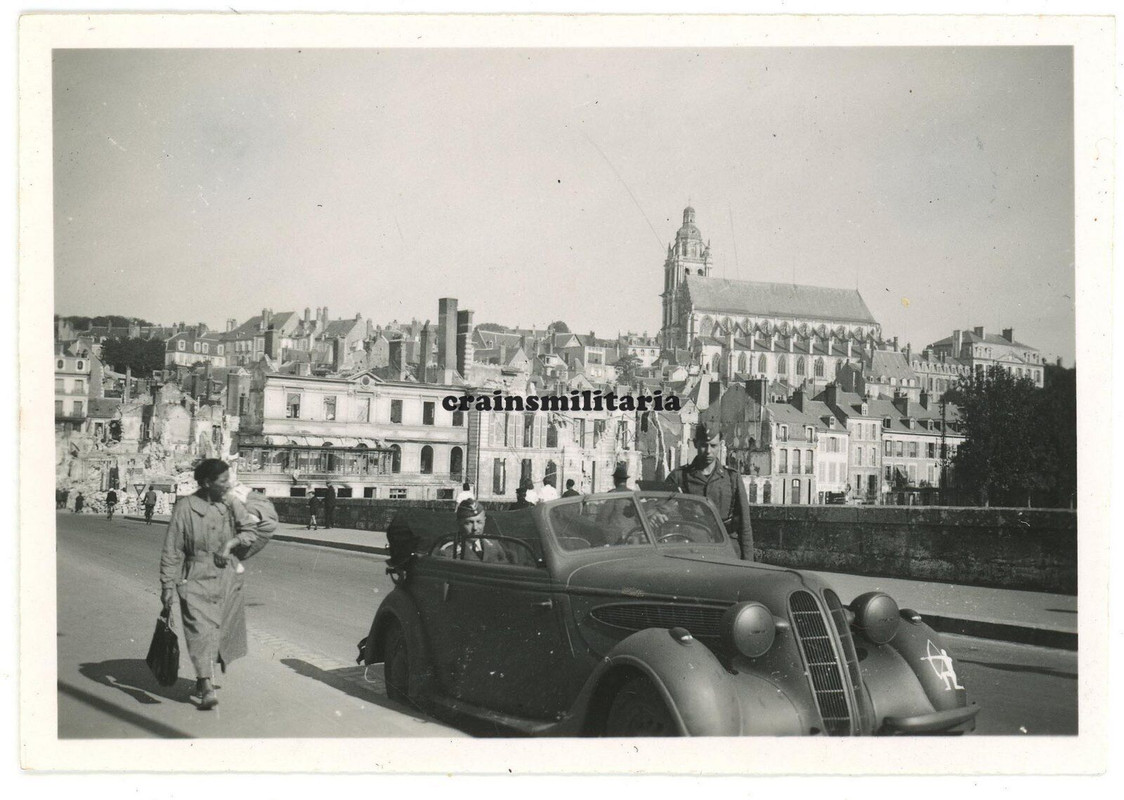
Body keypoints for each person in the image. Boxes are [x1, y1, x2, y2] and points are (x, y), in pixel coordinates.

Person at [159, 459, 256, 710]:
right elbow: (172, 549)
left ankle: (207, 676)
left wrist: (230, 544)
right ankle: (205, 683)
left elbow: (250, 533)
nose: (228, 484)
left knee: (219, 632)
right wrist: (167, 586)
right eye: (223, 481)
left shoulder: (232, 504)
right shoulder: (184, 508)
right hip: (195, 576)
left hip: (226, 577)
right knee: (199, 632)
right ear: (206, 483)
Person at [664, 423, 754, 560]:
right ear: (695, 444)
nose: (708, 451)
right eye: (703, 445)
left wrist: (748, 564)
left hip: (727, 551)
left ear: (721, 445)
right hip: (692, 551)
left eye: (713, 446)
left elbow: (745, 525)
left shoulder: (731, 478)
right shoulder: (679, 477)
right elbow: (659, 509)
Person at [442, 498, 507, 562]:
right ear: (459, 523)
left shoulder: (494, 545)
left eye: (479, 522)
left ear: (484, 521)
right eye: (469, 523)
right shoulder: (449, 551)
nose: (475, 528)